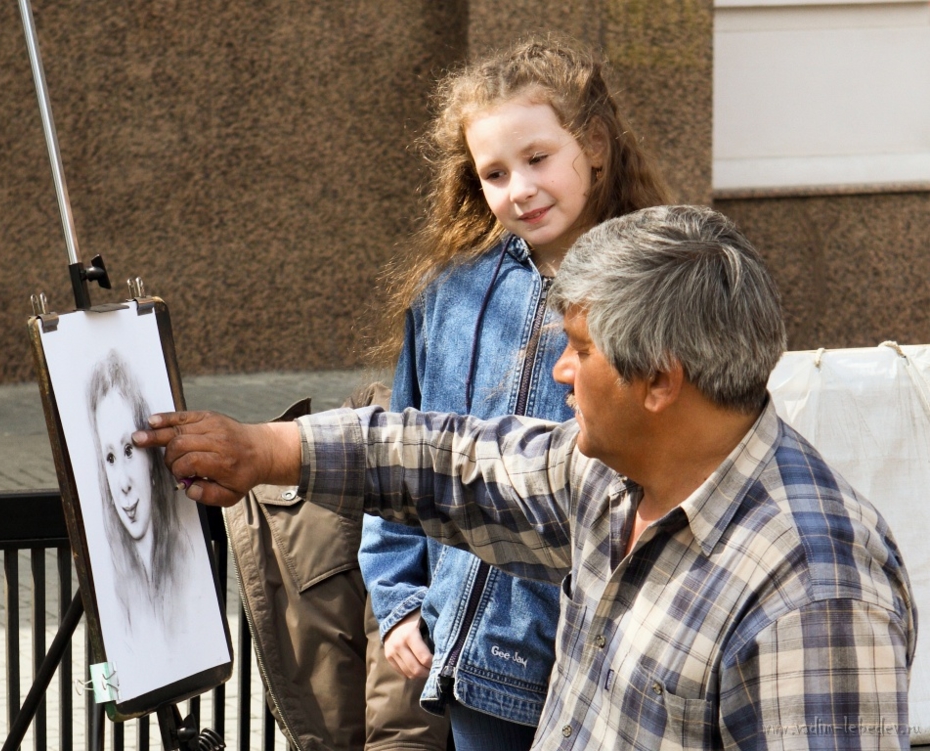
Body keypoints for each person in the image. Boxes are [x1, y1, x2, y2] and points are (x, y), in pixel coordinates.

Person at [137, 205, 916, 749]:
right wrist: (264, 450)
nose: (560, 371)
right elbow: (454, 463)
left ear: (659, 381)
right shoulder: (614, 476)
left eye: (580, 348)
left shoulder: (815, 592)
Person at [358, 35, 669, 748]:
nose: (518, 189)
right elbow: (399, 449)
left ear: (592, 144)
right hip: (475, 667)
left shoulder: (660, 288)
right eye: (494, 172)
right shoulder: (451, 293)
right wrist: (400, 594)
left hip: (612, 664)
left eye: (537, 159)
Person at [87, 349, 192, 636]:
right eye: (110, 459)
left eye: (129, 450)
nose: (123, 483)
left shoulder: (186, 567)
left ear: (152, 457)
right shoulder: (111, 585)